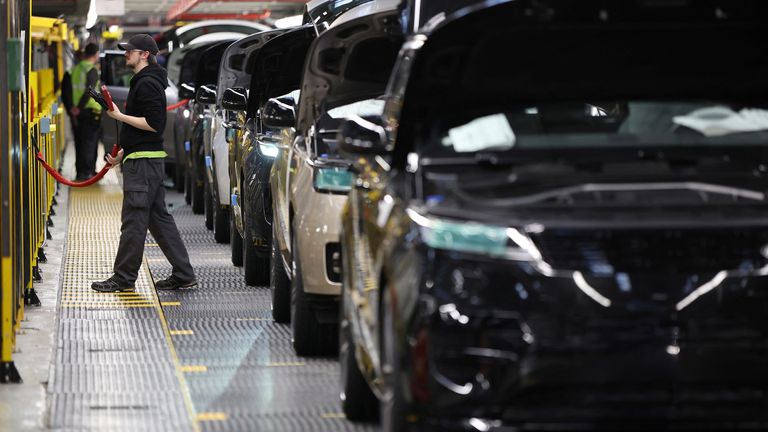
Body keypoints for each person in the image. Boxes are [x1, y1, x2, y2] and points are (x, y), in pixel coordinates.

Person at [91, 34, 197, 293]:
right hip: (146, 159)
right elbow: (141, 130)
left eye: (131, 50)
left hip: (143, 165)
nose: (126, 54)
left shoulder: (147, 83)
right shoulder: (145, 81)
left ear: (144, 55)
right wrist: (122, 154)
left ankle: (123, 278)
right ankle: (184, 274)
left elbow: (153, 124)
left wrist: (119, 116)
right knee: (158, 219)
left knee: (134, 220)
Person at [69, 43, 102, 181]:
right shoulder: (91, 69)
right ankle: (87, 172)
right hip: (89, 111)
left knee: (80, 142)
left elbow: (70, 89)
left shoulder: (76, 69)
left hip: (78, 113)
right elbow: (90, 91)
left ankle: (81, 171)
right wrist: (80, 107)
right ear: (96, 54)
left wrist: (73, 108)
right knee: (90, 143)